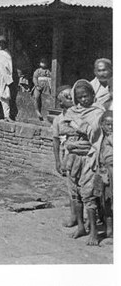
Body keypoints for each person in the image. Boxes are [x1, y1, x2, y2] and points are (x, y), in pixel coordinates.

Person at [63, 79, 105, 245]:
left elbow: (94, 132)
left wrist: (77, 127)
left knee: (88, 194)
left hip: (88, 157)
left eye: (86, 96)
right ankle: (81, 226)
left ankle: (94, 232)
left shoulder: (98, 112)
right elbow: (64, 129)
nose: (83, 100)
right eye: (79, 97)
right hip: (72, 158)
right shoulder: (72, 111)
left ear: (93, 95)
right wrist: (78, 129)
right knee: (75, 194)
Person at [51, 86, 76, 227]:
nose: (71, 99)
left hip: (84, 155)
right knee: (72, 188)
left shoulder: (81, 115)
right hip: (67, 156)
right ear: (61, 103)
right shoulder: (58, 120)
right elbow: (55, 141)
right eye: (67, 98)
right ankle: (74, 217)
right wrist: (58, 161)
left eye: (72, 96)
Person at [96, 110, 113, 242]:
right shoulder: (101, 138)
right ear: (102, 124)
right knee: (105, 201)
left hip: (113, 171)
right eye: (108, 124)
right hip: (104, 171)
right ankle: (109, 230)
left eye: (113, 124)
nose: (111, 127)